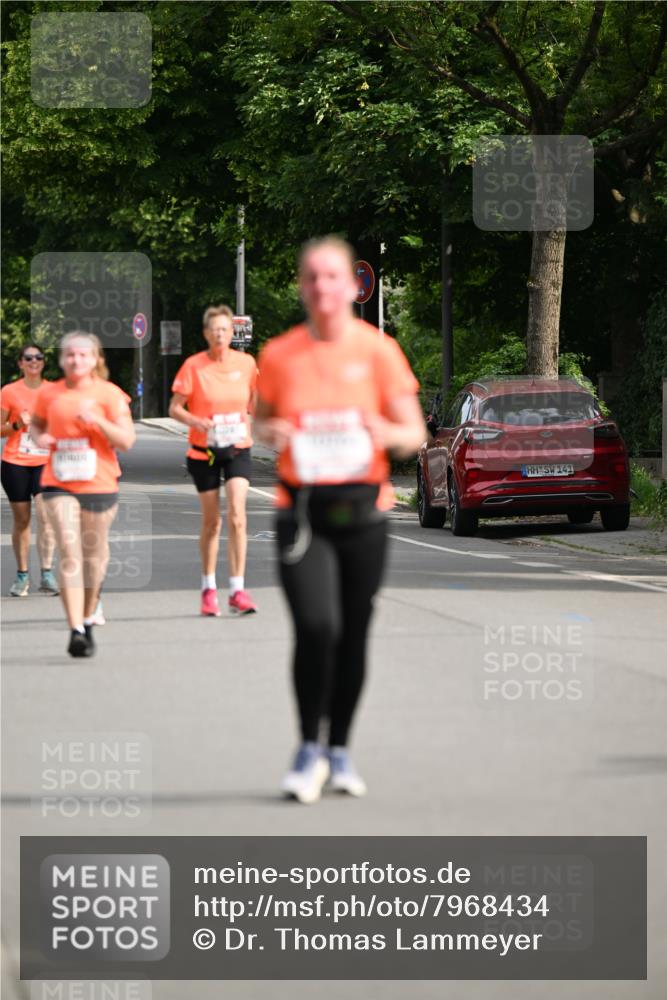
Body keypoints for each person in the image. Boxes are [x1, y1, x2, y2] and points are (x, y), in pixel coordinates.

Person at [255, 236, 426, 804]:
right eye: (311, 277)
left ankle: (340, 750)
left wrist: (388, 434)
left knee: (353, 634)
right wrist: (269, 433)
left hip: (365, 515)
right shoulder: (280, 354)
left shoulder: (379, 351)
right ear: (302, 287)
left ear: (352, 286)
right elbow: (260, 423)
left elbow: (414, 434)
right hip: (301, 513)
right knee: (317, 627)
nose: (322, 287)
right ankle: (307, 748)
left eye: (332, 276)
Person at [29, 331, 135, 657]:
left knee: (94, 558)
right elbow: (35, 425)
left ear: (95, 360)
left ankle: (88, 616)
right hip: (58, 482)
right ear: (62, 360)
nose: (76, 360)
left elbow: (126, 441)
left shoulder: (110, 394)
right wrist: (40, 438)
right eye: (70, 355)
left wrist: (99, 422)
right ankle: (75, 628)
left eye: (83, 355)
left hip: (99, 482)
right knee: (71, 554)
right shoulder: (50, 394)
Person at [169, 304, 258, 617]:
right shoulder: (194, 366)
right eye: (214, 330)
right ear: (206, 334)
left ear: (232, 333)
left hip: (237, 446)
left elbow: (256, 402)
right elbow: (175, 408)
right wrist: (196, 421)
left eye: (225, 329)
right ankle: (208, 589)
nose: (220, 334)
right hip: (203, 450)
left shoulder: (247, 364)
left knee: (237, 514)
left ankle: (237, 589)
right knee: (212, 521)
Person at [1, 343, 58, 597]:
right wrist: (16, 424)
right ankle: (22, 575)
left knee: (46, 516)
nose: (34, 361)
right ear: (21, 364)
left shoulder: (54, 391)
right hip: (16, 462)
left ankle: (46, 572)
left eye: (38, 357)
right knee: (22, 520)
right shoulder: (9, 392)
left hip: (46, 461)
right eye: (28, 358)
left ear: (43, 362)